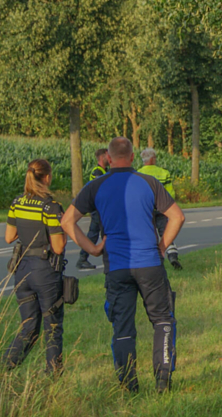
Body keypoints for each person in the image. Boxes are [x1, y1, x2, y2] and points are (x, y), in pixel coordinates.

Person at [61, 137, 185, 393]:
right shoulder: (148, 182)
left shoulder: (96, 185)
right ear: (131, 157)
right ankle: (163, 379)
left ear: (108, 157)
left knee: (123, 326)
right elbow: (177, 216)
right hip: (149, 263)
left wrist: (92, 249)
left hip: (117, 266)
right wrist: (162, 246)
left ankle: (129, 385)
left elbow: (67, 222)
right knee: (162, 319)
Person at [4, 159, 101, 374]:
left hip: (21, 272)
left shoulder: (17, 202)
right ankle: (53, 374)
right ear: (47, 177)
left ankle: (5, 367)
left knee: (29, 327)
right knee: (52, 327)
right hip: (45, 272)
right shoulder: (50, 206)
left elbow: (10, 236)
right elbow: (58, 247)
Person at [137, 148, 183, 270]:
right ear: (152, 159)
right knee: (165, 232)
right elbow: (170, 193)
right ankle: (172, 255)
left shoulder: (138, 174)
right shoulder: (164, 173)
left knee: (149, 234)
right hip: (162, 208)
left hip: (147, 210)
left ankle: (151, 261)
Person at [77, 148, 110, 270]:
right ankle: (82, 259)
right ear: (102, 157)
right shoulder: (97, 172)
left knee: (97, 233)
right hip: (98, 208)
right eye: (107, 156)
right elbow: (101, 189)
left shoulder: (104, 171)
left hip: (100, 207)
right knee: (95, 234)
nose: (109, 158)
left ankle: (83, 259)